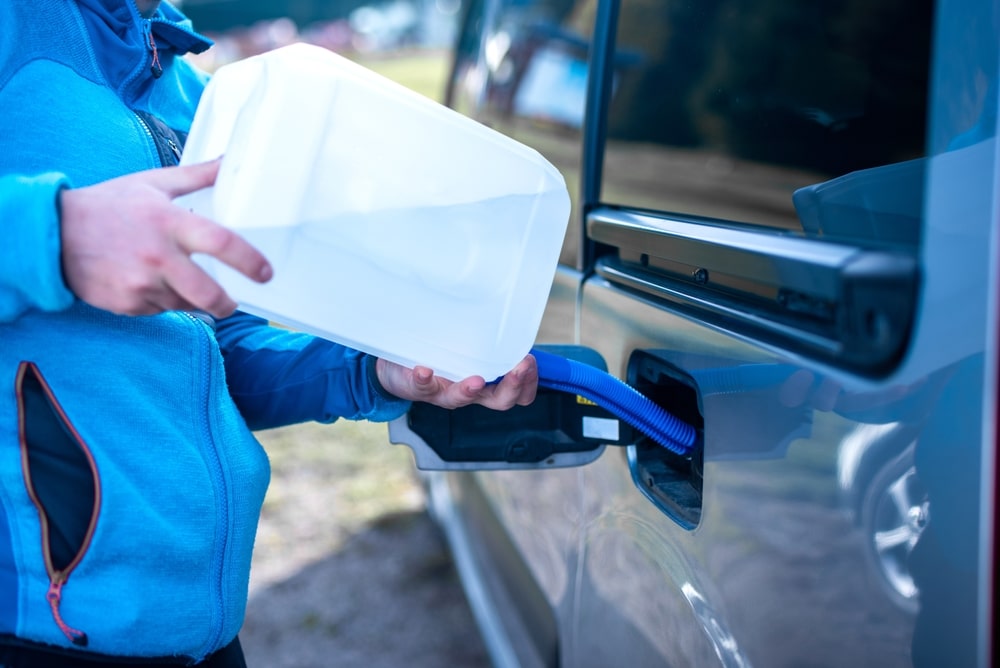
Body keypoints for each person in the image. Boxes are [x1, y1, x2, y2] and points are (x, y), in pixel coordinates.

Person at [0, 1, 537, 665]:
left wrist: (370, 372)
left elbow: (217, 349)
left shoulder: (191, 85)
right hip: (35, 638)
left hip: (205, 638)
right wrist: (56, 236)